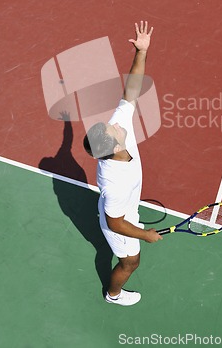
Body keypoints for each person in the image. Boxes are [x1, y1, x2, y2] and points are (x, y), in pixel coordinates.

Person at [83, 21, 162, 306]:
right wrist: (145, 235)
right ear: (114, 146)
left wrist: (141, 52)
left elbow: (131, 90)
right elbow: (116, 223)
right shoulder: (114, 184)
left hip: (120, 208)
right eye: (113, 130)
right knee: (131, 261)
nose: (115, 124)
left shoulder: (113, 137)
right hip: (119, 220)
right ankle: (112, 294)